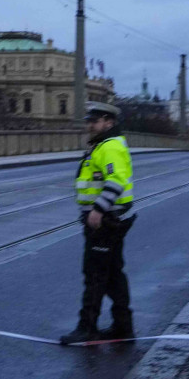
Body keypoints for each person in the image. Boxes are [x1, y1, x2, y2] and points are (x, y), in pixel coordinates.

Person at [60, 101, 137, 345]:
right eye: (89, 121)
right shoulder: (102, 146)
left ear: (109, 122)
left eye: (94, 121)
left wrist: (98, 210)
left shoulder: (110, 147)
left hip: (105, 221)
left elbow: (117, 180)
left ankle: (87, 328)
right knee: (113, 275)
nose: (89, 125)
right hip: (109, 220)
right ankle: (123, 327)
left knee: (94, 275)